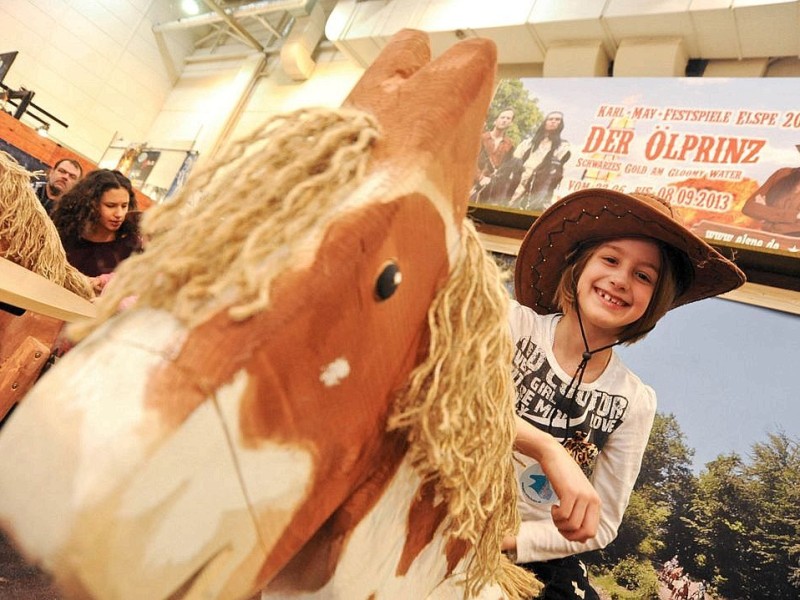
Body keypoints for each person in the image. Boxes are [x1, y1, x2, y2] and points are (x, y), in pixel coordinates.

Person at [502, 189, 746, 599]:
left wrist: (514, 542)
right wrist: (547, 448)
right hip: (449, 512)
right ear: (578, 266)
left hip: (531, 555)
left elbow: (604, 521)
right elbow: (453, 412)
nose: (620, 279)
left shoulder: (635, 401)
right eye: (610, 259)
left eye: (644, 276)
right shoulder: (511, 325)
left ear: (655, 303)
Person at [51, 169, 142, 292]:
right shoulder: (65, 232)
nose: (119, 214)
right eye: (110, 206)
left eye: (124, 206)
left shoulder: (132, 246)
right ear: (91, 203)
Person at [506, 111, 571, 212]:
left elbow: (556, 172)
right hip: (519, 182)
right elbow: (515, 161)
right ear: (545, 122)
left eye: (557, 120)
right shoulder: (528, 143)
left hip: (540, 186)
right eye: (551, 119)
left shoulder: (563, 147)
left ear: (561, 124)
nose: (553, 122)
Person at [471, 107, 517, 204]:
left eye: (508, 118)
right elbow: (469, 160)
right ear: (495, 121)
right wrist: (480, 177)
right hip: (471, 183)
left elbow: (505, 169)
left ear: (511, 123)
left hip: (491, 189)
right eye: (502, 117)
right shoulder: (480, 138)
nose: (504, 120)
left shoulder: (510, 145)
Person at [742, 166, 800, 236]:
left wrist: (766, 215)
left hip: (793, 242)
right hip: (764, 238)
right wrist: (795, 215)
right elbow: (749, 207)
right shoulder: (782, 173)